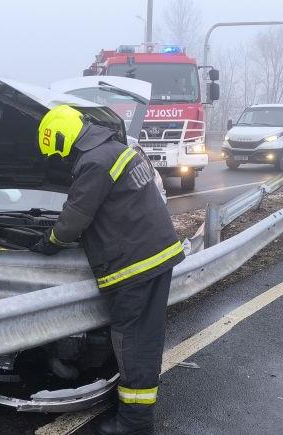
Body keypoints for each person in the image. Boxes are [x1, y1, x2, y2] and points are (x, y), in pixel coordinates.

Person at [30, 105, 184, 435]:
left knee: (133, 342)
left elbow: (74, 218)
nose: (61, 161)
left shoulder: (94, 162)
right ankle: (134, 412)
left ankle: (134, 423)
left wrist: (48, 242)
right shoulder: (113, 149)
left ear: (63, 139)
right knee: (144, 339)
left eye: (59, 155)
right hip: (152, 255)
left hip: (136, 264)